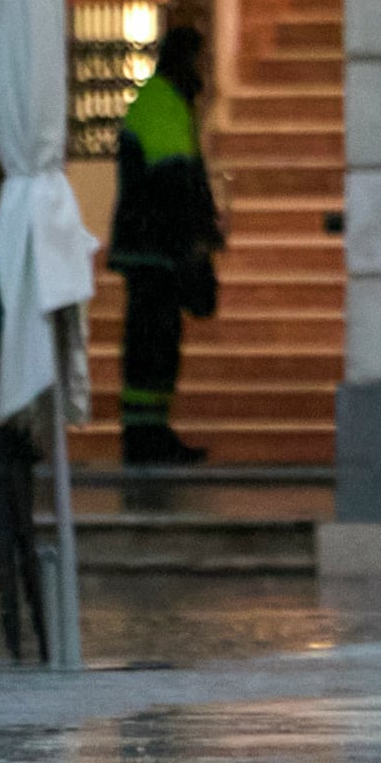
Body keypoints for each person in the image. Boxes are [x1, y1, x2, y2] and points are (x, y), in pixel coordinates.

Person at [110, 25, 222, 467]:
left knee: (155, 342)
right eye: (202, 61)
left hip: (152, 249)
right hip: (155, 249)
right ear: (186, 60)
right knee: (152, 344)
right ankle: (145, 438)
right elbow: (175, 181)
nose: (207, 71)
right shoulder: (162, 104)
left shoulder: (165, 101)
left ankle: (150, 432)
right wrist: (199, 236)